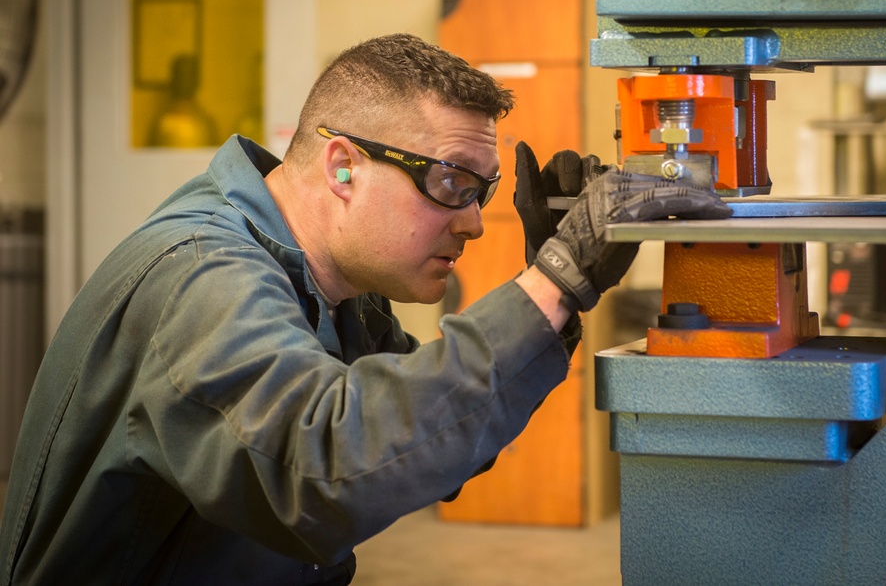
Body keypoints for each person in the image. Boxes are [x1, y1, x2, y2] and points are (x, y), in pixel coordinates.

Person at [0, 33, 731, 585]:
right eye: (451, 183)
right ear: (344, 165)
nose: (475, 222)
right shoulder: (203, 273)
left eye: (482, 190)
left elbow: (420, 446)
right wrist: (551, 284)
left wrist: (543, 296)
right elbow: (324, 470)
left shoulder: (337, 287)